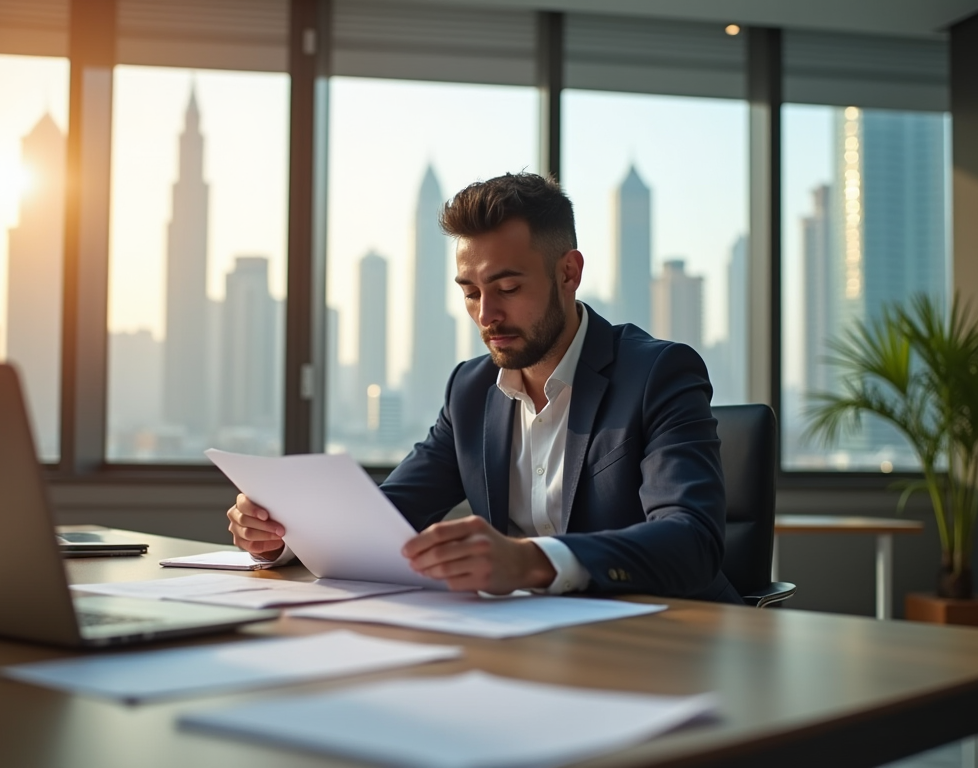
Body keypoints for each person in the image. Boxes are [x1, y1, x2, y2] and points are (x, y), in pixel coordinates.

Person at [227, 172, 742, 603]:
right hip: (520, 642)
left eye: (508, 289)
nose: (486, 315)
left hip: (662, 641)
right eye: (471, 293)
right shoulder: (470, 390)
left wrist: (531, 560)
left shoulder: (658, 374)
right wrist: (282, 537)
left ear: (569, 273)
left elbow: (691, 541)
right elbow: (384, 520)